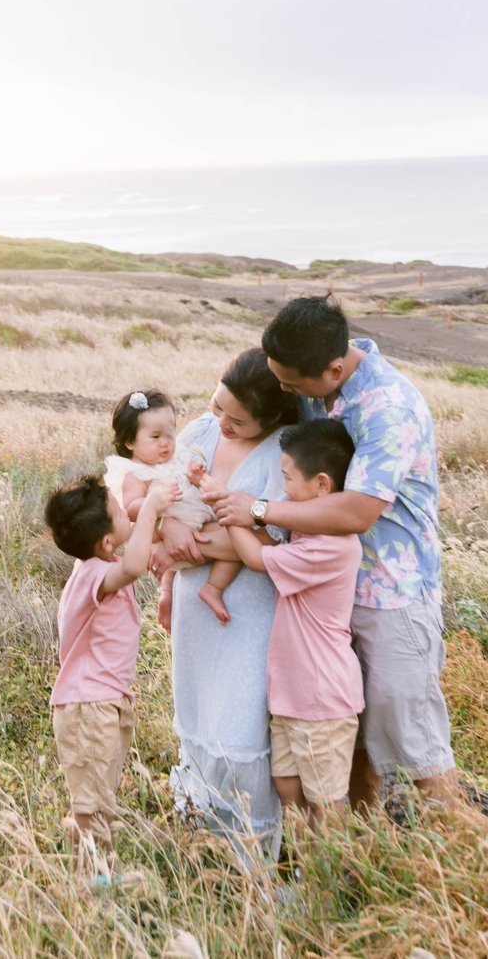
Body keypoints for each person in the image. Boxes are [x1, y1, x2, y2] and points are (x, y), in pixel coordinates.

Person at [207, 296, 456, 813]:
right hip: (325, 596)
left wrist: (258, 510)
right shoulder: (315, 386)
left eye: (292, 385)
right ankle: (355, 852)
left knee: (413, 743)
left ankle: (455, 850)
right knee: (352, 736)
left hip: (390, 593)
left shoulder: (388, 407)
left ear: (334, 368)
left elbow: (358, 512)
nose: (285, 393)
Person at [163, 347, 302, 861]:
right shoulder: (200, 431)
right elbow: (157, 494)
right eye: (217, 405)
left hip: (248, 611)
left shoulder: (282, 454)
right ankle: (201, 839)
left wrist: (181, 543)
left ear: (270, 418)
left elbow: (271, 544)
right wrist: (170, 525)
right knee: (196, 706)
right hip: (191, 602)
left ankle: (249, 856)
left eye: (237, 420)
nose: (221, 422)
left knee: (238, 720)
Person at [220, 419, 364, 823]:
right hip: (291, 693)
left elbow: (255, 557)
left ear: (322, 485)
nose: (282, 491)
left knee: (326, 802)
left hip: (322, 697)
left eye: (287, 479)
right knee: (288, 788)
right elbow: (267, 542)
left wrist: (233, 513)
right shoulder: (307, 530)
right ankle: (307, 872)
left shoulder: (332, 547)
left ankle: (332, 880)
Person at [43, 470, 171, 851]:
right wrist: (149, 509)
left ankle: (99, 879)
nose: (127, 512)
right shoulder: (95, 574)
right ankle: (90, 889)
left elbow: (136, 559)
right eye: (121, 511)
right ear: (105, 542)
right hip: (88, 707)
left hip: (105, 702)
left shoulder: (100, 565)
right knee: (91, 809)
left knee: (101, 802)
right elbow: (133, 567)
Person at [102, 389, 240, 625]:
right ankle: (198, 589)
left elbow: (190, 477)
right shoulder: (135, 474)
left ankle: (192, 591)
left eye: (170, 433)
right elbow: (132, 507)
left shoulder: (179, 457)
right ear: (130, 442)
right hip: (172, 531)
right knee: (232, 551)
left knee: (235, 541)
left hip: (199, 520)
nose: (165, 443)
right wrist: (153, 503)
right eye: (155, 437)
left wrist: (196, 474)